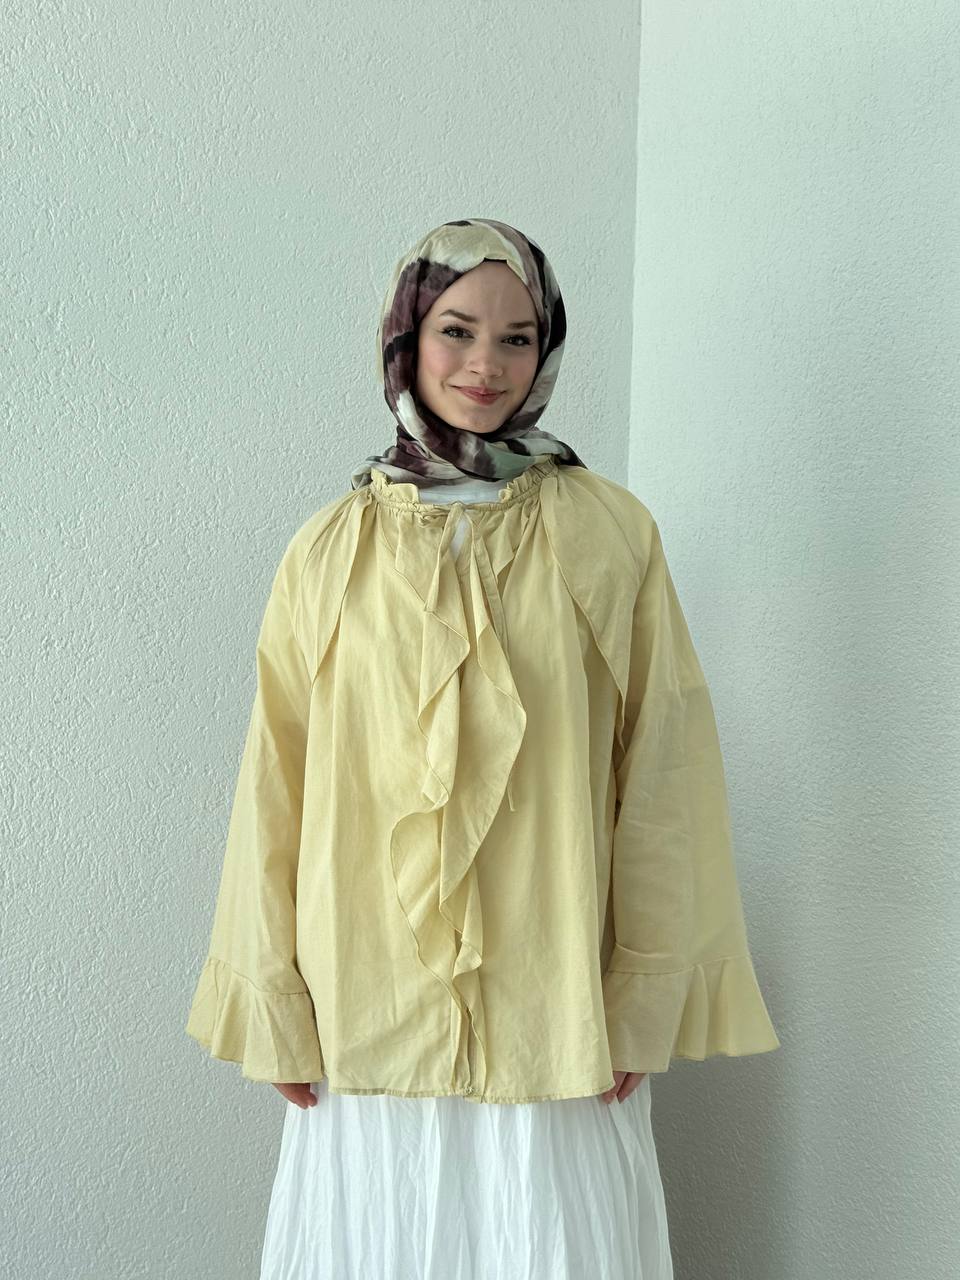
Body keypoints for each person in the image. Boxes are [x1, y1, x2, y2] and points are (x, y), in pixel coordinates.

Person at [185, 218, 781, 1279]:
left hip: (555, 1009)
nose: (485, 365)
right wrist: (273, 996)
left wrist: (643, 993)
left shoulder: (612, 536)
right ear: (406, 337)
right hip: (365, 1002)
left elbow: (662, 775)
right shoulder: (327, 550)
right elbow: (275, 783)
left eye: (518, 337)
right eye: (457, 330)